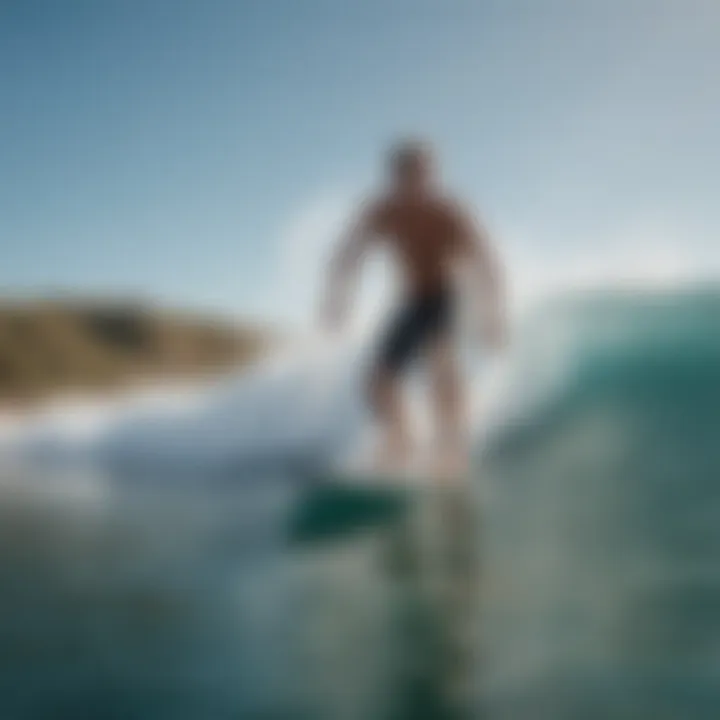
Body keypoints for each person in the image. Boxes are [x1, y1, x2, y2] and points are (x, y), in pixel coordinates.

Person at [320, 140, 506, 477]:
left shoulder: (448, 212)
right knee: (376, 382)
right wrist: (337, 299)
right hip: (411, 301)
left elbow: (486, 263)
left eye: (422, 175)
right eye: (406, 176)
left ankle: (451, 447)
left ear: (430, 175)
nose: (415, 185)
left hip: (446, 296)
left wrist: (492, 315)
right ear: (395, 178)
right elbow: (348, 254)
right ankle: (401, 440)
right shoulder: (382, 212)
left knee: (441, 365)